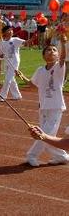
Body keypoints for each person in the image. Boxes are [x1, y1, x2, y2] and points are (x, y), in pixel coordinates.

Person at [18, 36, 69, 167]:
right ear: (43, 55)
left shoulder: (59, 68)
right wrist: (22, 76)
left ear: (57, 55)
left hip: (56, 107)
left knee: (44, 134)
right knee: (47, 135)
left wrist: (63, 44)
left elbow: (63, 58)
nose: (52, 51)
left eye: (54, 50)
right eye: (48, 50)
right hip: (43, 107)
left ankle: (31, 155)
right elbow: (33, 85)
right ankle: (61, 156)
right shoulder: (40, 70)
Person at [0, 25, 27, 101]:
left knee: (8, 79)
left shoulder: (15, 40)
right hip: (7, 62)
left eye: (11, 30)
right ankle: (17, 95)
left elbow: (25, 43)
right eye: (8, 30)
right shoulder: (2, 43)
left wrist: (33, 39)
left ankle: (2, 96)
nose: (11, 31)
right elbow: (2, 55)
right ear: (4, 33)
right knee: (11, 79)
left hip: (14, 62)